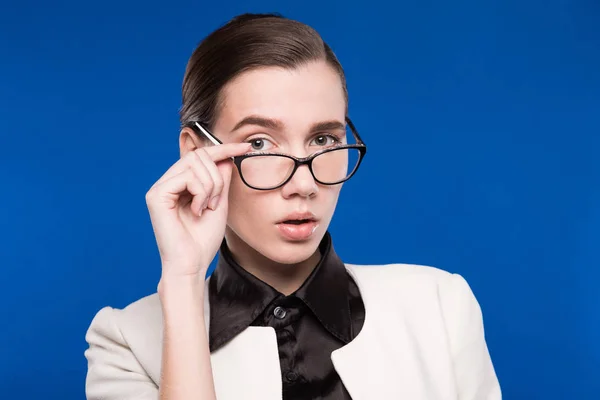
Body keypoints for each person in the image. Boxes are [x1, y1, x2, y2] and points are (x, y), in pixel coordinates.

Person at [83, 12, 501, 400]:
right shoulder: (127, 342)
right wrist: (183, 282)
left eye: (323, 140)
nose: (304, 184)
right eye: (260, 143)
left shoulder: (439, 307)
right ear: (197, 154)